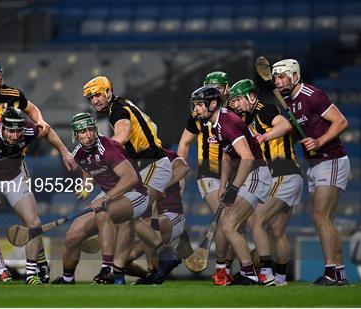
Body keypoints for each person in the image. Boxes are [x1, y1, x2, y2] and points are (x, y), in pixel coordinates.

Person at [0, 107, 74, 285]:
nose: (14, 136)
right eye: (10, 131)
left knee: (34, 223)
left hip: (13, 177)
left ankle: (32, 274)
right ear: (2, 127)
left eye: (17, 131)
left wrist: (64, 152)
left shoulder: (28, 130)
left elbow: (46, 130)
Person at [273, 59, 350, 285]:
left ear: (295, 75)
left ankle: (330, 273)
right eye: (276, 77)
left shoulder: (312, 94)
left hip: (331, 159)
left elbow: (341, 121)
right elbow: (300, 130)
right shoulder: (288, 100)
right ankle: (339, 274)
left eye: (282, 76)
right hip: (315, 164)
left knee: (321, 217)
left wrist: (319, 141)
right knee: (324, 220)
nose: (278, 81)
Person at [52, 113, 149, 285]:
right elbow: (88, 170)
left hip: (134, 194)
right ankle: (67, 279)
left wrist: (106, 196)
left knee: (103, 212)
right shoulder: (79, 153)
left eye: (90, 130)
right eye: (82, 132)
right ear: (76, 135)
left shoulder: (109, 147)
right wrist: (86, 187)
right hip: (110, 196)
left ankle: (108, 270)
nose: (88, 135)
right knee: (72, 235)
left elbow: (131, 178)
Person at [190, 86, 272, 285]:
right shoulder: (215, 124)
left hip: (255, 173)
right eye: (195, 105)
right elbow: (227, 156)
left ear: (213, 104)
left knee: (229, 225)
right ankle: (251, 273)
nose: (197, 109)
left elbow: (247, 158)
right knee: (229, 226)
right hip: (247, 174)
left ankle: (252, 275)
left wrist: (234, 189)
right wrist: (223, 185)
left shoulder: (228, 122)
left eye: (200, 105)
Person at [228, 79, 303, 286]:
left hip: (282, 174)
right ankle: (280, 279)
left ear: (252, 97)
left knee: (256, 221)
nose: (235, 104)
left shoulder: (265, 111)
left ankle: (266, 275)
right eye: (232, 101)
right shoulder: (249, 118)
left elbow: (285, 125)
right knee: (277, 232)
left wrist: (264, 137)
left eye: (238, 100)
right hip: (287, 175)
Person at [83, 76, 171, 248]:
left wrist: (100, 153)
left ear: (108, 92)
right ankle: (156, 255)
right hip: (145, 166)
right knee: (127, 214)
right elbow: (152, 124)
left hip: (154, 164)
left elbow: (121, 136)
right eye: (91, 98)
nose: (95, 100)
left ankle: (162, 252)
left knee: (127, 211)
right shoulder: (123, 104)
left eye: (98, 95)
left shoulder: (117, 111)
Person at [177, 71, 235, 285]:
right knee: (225, 220)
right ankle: (221, 271)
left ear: (226, 88)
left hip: (236, 174)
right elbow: (184, 143)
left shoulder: (236, 111)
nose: (215, 91)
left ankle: (231, 270)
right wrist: (181, 176)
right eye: (210, 86)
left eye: (218, 87)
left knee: (235, 225)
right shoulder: (199, 114)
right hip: (209, 173)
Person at [128, 148, 190, 284]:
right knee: (121, 260)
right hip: (143, 227)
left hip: (171, 216)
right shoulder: (130, 162)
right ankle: (150, 277)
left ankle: (162, 260)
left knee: (144, 223)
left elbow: (183, 168)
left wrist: (162, 185)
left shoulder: (164, 155)